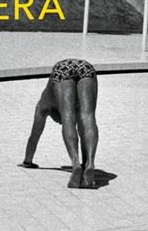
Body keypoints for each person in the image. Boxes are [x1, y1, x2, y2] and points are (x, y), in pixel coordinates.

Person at [22, 59, 99, 189]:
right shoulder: (74, 104)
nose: (59, 122)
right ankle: (89, 163)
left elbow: (34, 136)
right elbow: (82, 130)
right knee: (88, 117)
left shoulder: (43, 106)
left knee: (68, 117)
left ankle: (76, 164)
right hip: (86, 68)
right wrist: (85, 161)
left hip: (62, 70)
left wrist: (27, 161)